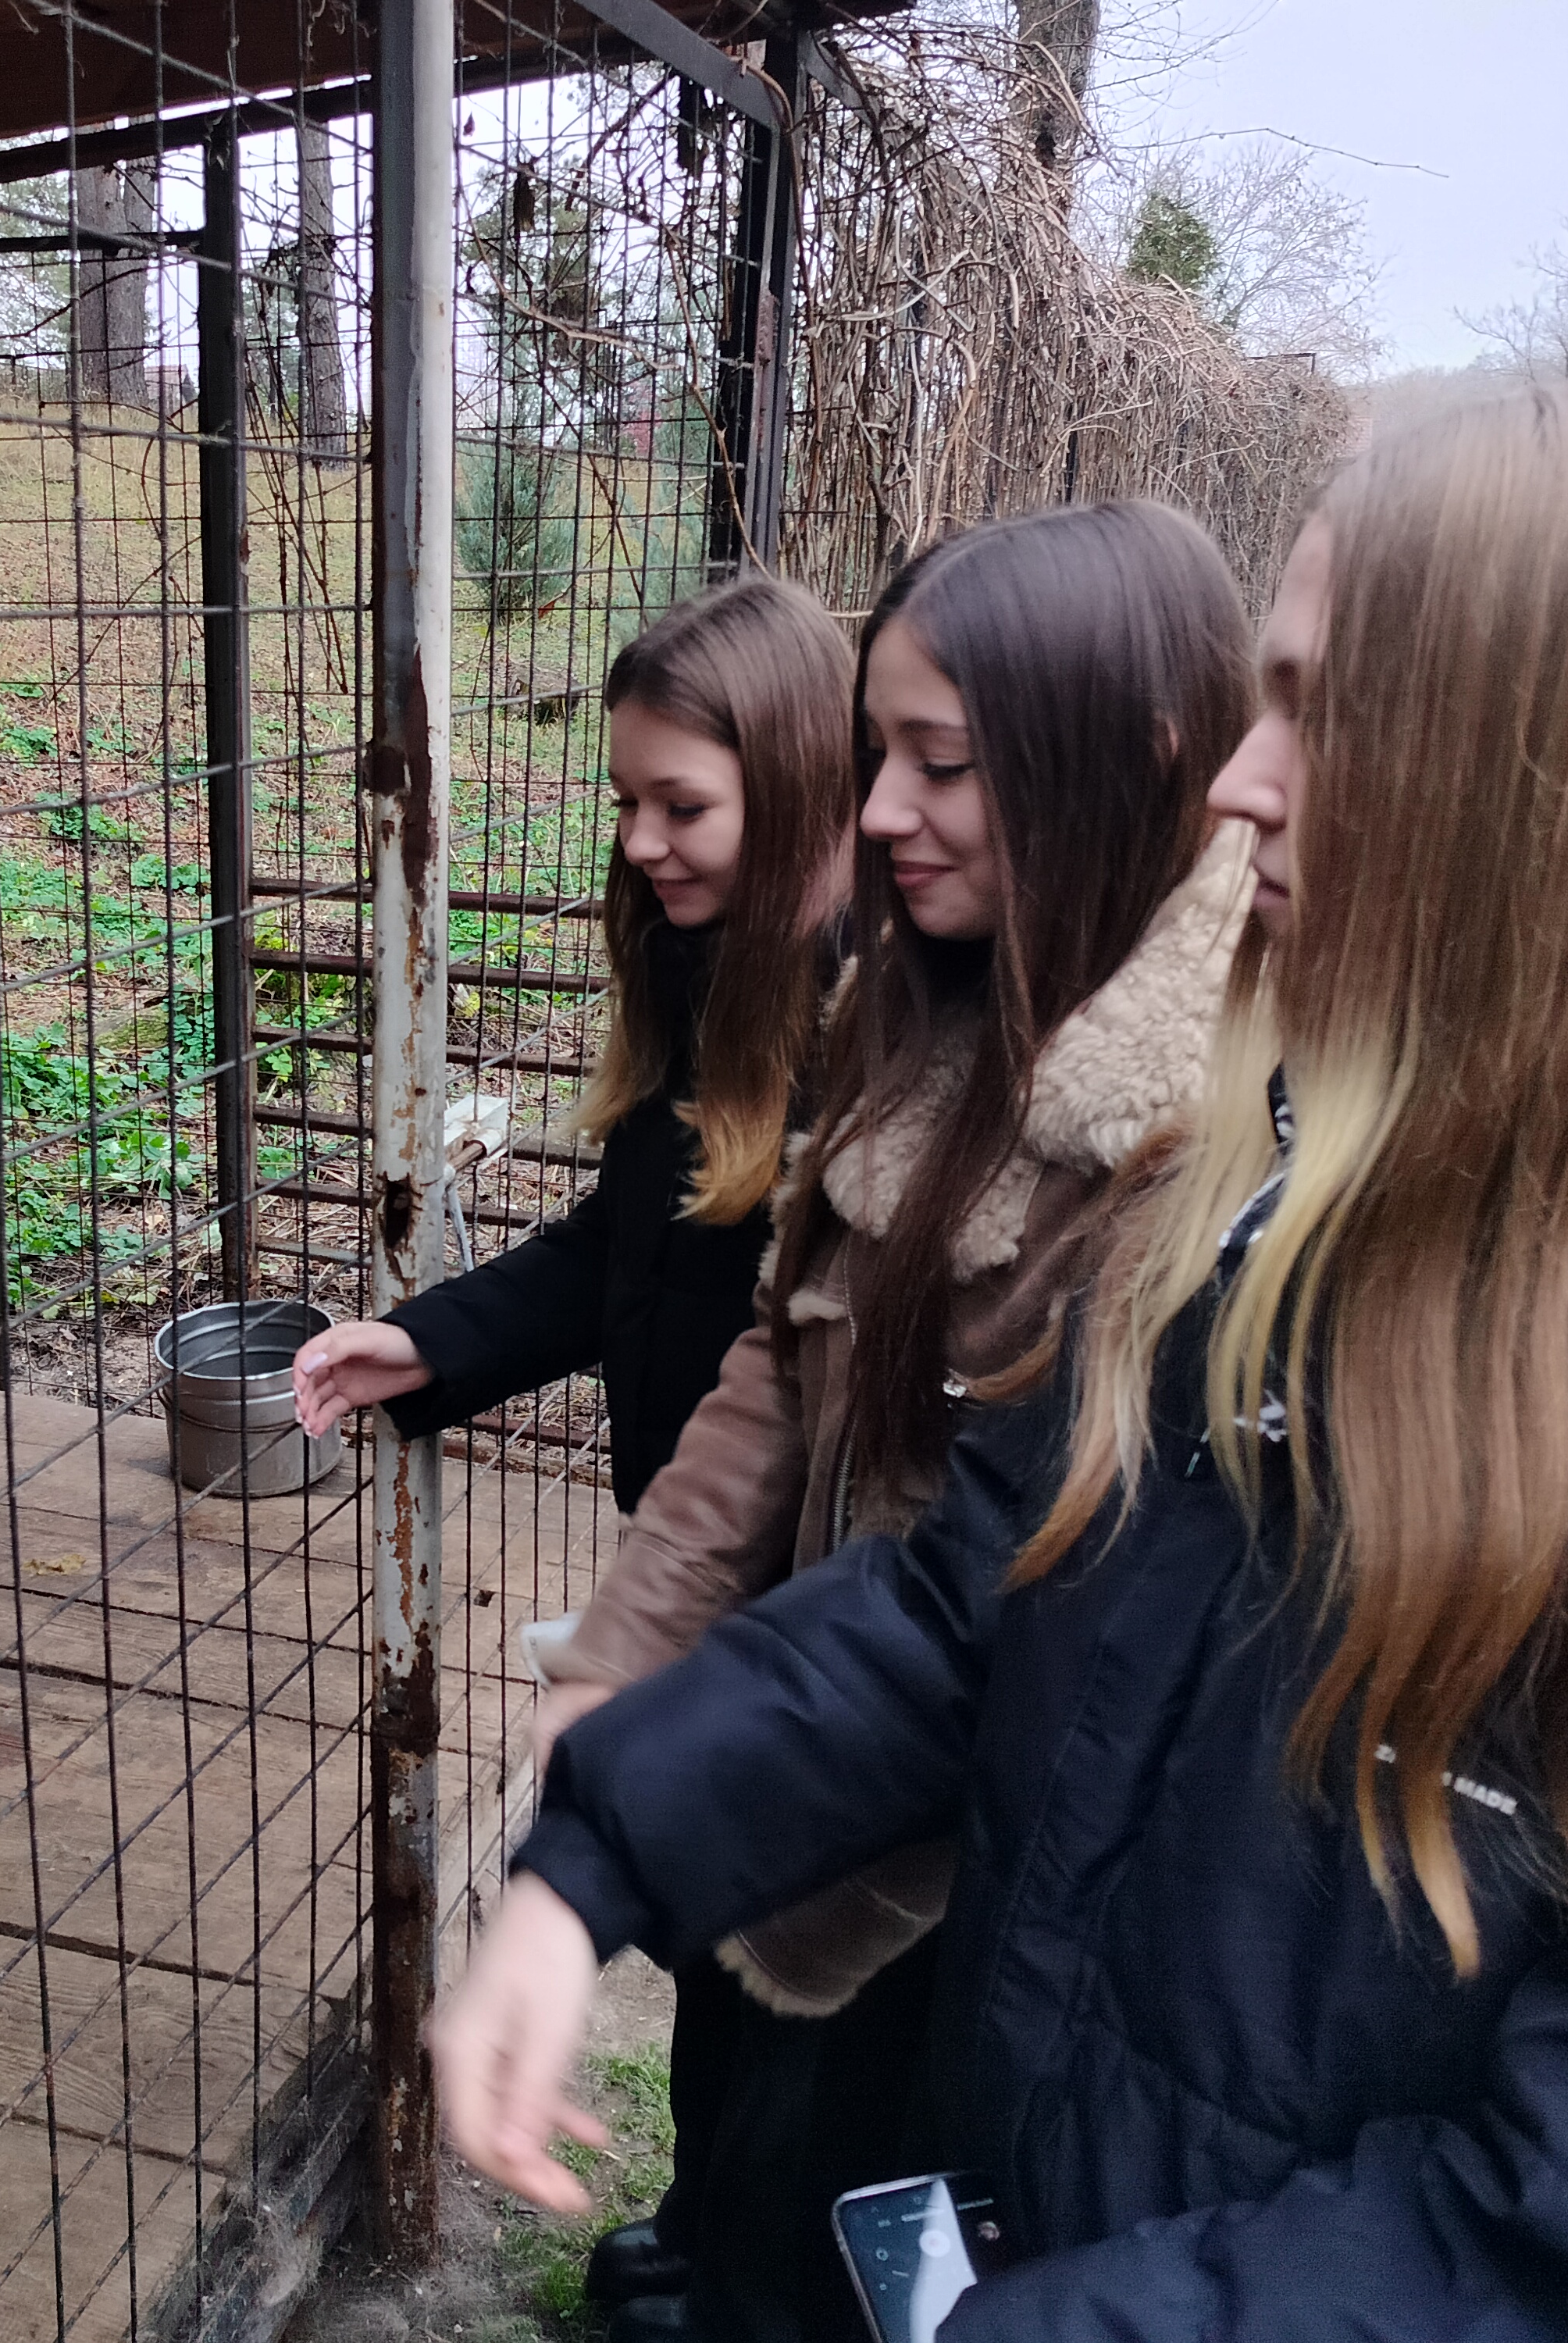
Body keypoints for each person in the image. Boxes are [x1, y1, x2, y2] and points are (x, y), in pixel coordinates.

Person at [433, 372, 1568, 2342]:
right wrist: (602, 1842)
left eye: (1323, 714)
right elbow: (983, 1595)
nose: (1245, 788)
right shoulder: (1291, 1224)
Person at [533, 501, 1256, 2343]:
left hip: (971, 1872)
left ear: (1125, 755)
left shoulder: (1205, 1139)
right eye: (875, 756)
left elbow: (1008, 1590)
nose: (870, 814)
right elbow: (779, 1361)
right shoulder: (908, 1005)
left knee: (862, 2213)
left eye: (937, 763)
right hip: (809, 1733)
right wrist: (620, 1668)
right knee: (746, 2128)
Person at [291, 572, 855, 2320]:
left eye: (679, 805)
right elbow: (625, 1249)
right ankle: (700, 2238)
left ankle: (741, 2273)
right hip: (707, 1581)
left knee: (800, 2009)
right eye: (626, 801)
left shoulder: (867, 1024)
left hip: (815, 1604)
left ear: (800, 789)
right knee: (723, 1970)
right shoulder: (706, 971)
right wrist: (431, 1340)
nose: (638, 844)